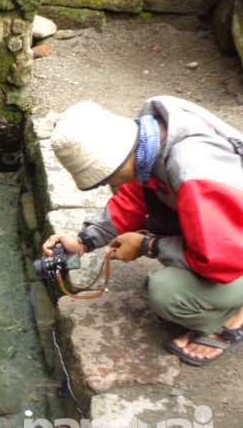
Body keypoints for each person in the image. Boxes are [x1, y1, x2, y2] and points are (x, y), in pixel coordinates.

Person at [42, 96, 243, 367]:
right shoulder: (151, 140)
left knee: (167, 293)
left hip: (231, 251)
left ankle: (227, 321)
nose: (108, 184)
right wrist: (82, 241)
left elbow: (220, 260)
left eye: (106, 177)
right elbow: (135, 201)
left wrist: (148, 246)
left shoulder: (193, 171)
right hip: (227, 228)